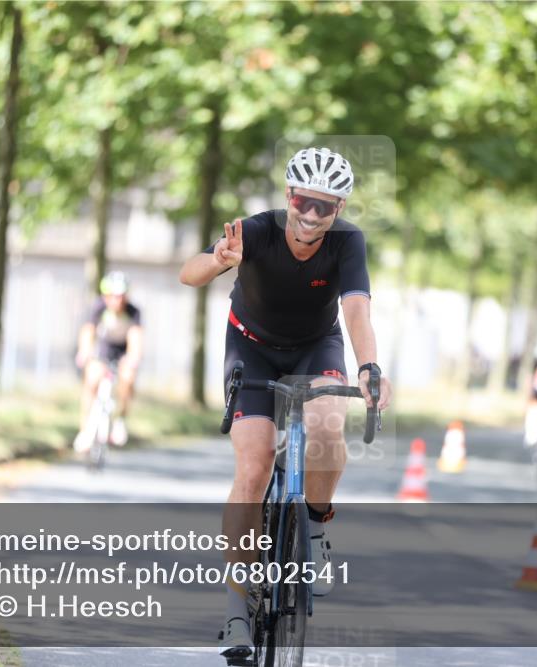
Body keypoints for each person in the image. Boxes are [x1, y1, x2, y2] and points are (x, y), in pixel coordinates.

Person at [178, 146, 393, 662]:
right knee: (251, 468)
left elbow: (357, 312)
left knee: (325, 429)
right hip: (250, 346)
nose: (311, 215)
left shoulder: (348, 243)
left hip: (316, 346)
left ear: (339, 209)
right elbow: (189, 273)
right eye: (304, 201)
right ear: (288, 196)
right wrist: (217, 261)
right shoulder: (254, 231)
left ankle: (314, 527)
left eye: (325, 206)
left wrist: (368, 367)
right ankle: (235, 611)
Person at [73, 271, 143, 452]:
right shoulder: (98, 307)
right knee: (91, 379)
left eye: (121, 296)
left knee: (128, 378)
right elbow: (87, 331)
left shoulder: (133, 312)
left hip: (122, 351)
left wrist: (133, 357)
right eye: (113, 296)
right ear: (106, 296)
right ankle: (85, 430)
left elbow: (136, 338)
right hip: (102, 350)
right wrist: (84, 351)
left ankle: (120, 420)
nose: (117, 301)